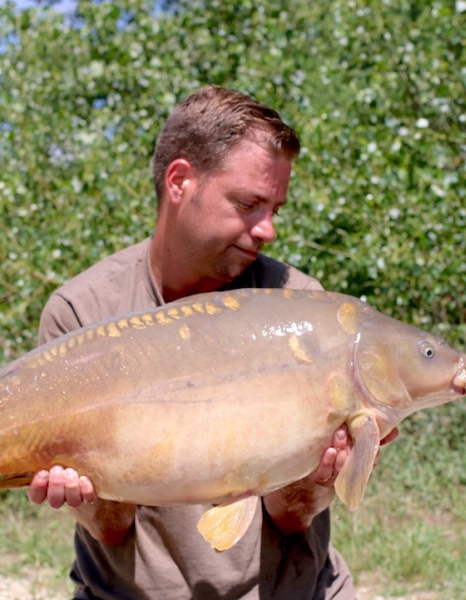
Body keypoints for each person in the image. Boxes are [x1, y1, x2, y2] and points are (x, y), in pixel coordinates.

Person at [29, 85, 396, 599]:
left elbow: (290, 520)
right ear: (180, 182)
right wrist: (84, 496)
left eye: (275, 208)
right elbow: (112, 530)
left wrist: (317, 479)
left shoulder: (301, 308)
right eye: (248, 203)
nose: (267, 228)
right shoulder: (84, 313)